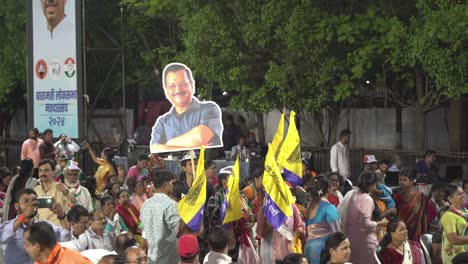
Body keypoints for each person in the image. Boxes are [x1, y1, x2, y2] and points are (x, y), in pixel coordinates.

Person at [150, 63, 223, 153]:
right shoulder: (162, 122)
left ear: (192, 85)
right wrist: (190, 146)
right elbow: (154, 149)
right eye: (172, 86)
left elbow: (200, 137)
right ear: (166, 91)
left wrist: (167, 143)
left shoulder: (209, 108)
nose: (178, 90)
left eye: (183, 84)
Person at [0, 188, 71, 264]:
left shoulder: (44, 226)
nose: (30, 204)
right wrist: (23, 216)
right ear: (16, 206)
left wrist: (61, 216)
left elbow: (66, 237)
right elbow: (3, 238)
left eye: (34, 201)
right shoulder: (8, 226)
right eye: (26, 201)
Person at [344, 171, 388, 264]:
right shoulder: (367, 199)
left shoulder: (354, 196)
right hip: (365, 243)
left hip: (353, 240)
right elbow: (365, 223)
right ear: (372, 184)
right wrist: (381, 223)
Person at [140, 169, 180, 264]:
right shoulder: (170, 205)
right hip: (168, 257)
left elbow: (144, 232)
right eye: (171, 183)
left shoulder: (145, 204)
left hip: (151, 256)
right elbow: (177, 231)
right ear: (166, 184)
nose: (173, 186)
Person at [304, 176, 340, 264]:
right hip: (322, 250)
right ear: (328, 189)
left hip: (308, 248)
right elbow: (337, 234)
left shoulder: (310, 206)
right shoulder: (329, 207)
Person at [23, 221, 92, 263]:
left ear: (37, 246)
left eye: (27, 245)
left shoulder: (76, 261)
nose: (25, 248)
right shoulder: (40, 262)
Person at [34, 159, 76, 226]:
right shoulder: (36, 190)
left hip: (59, 229)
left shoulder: (60, 187)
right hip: (41, 230)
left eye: (46, 170)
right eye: (40, 170)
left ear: (53, 172)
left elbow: (74, 202)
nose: (42, 173)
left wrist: (66, 191)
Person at [394, 167, 428, 241]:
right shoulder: (397, 196)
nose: (401, 182)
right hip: (401, 231)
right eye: (400, 180)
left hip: (416, 233)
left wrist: (424, 234)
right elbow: (395, 215)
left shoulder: (421, 197)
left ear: (412, 181)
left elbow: (424, 217)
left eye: (404, 180)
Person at [440, 184, 468, 263]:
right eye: (459, 194)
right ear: (450, 199)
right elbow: (453, 239)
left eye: (463, 193)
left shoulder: (465, 212)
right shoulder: (448, 215)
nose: (463, 196)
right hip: (454, 255)